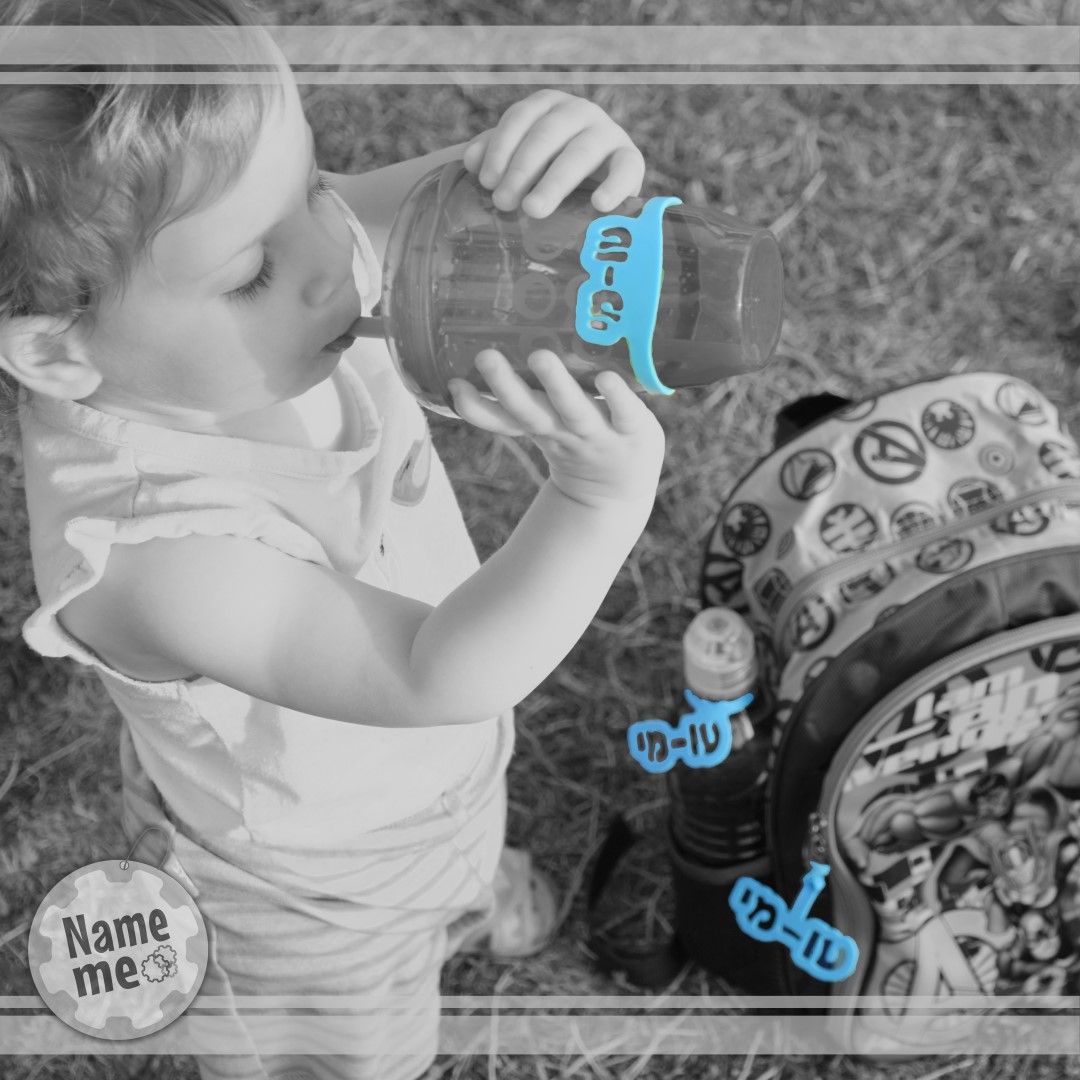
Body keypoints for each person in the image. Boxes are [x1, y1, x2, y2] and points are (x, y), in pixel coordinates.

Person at [0, 2, 664, 1078]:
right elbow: (430, 672)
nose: (338, 255)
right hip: (314, 889)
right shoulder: (155, 556)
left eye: (310, 181)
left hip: (416, 778)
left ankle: (456, 896)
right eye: (250, 271)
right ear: (57, 351)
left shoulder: (263, 280)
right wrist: (596, 500)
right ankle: (408, 941)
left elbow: (432, 202)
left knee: (454, 831)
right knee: (355, 1056)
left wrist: (549, 161)